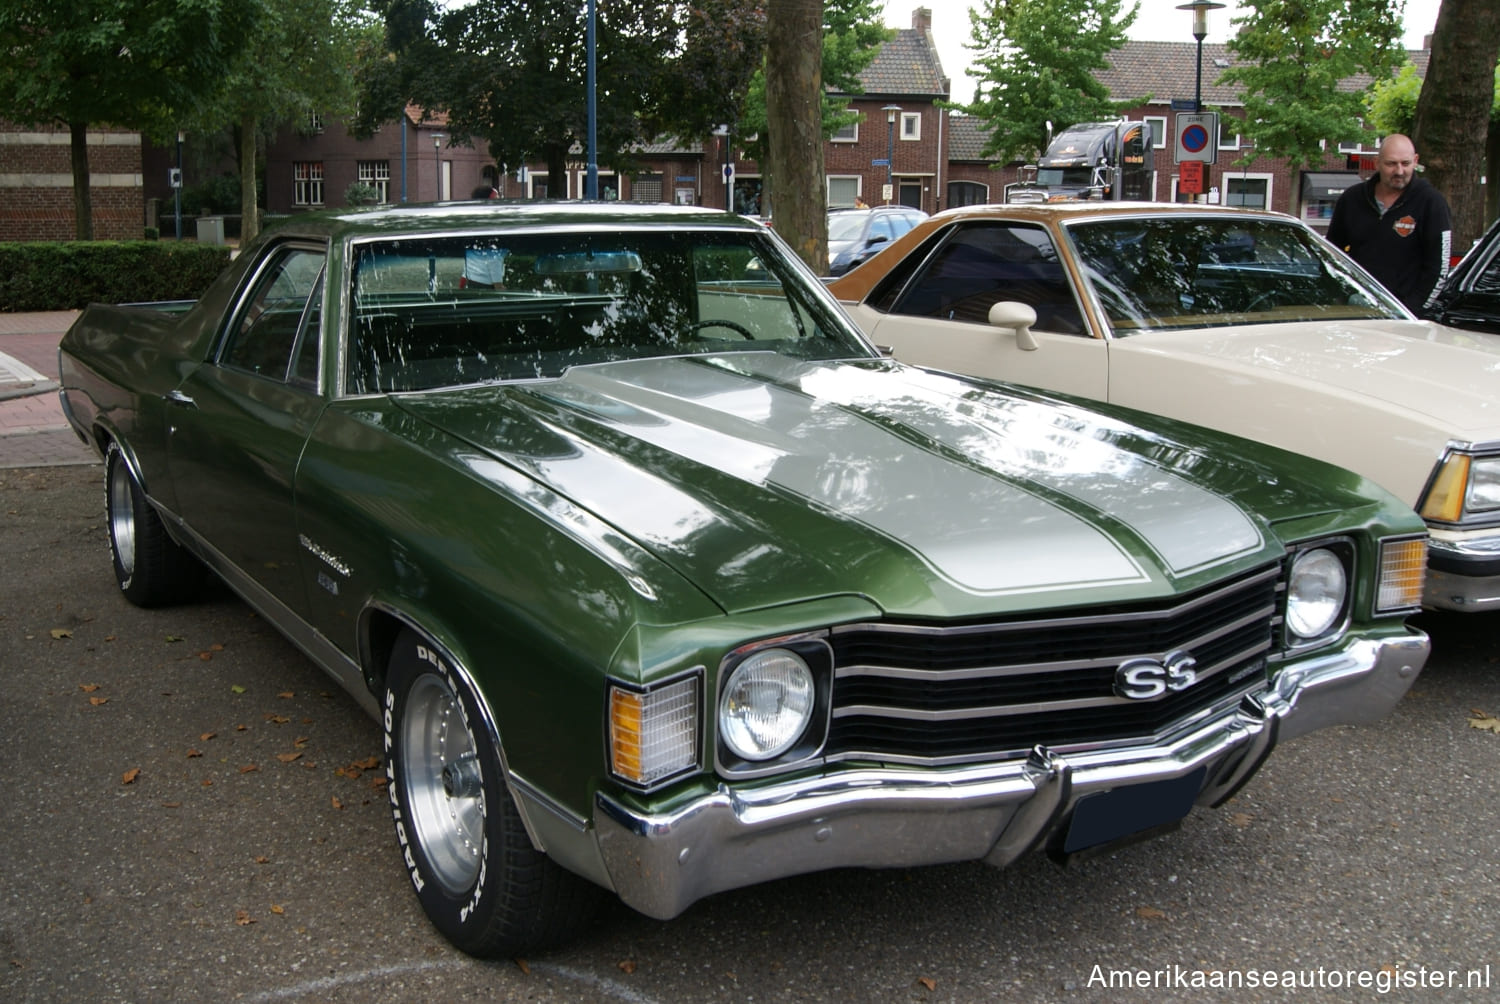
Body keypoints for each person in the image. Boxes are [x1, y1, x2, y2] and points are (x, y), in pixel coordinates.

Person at [1326, 134, 1452, 315]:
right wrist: (1340, 297)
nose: (1399, 171)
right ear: (1376, 163)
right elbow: (1332, 254)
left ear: (1415, 160)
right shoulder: (1351, 199)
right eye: (1391, 164)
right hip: (1354, 311)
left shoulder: (1431, 203)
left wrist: (1410, 312)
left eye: (1406, 163)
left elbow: (1438, 268)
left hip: (1405, 316)